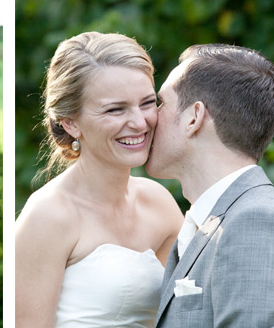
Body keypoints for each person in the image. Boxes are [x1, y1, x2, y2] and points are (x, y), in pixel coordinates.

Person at [145, 44, 274, 327]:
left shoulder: (256, 223)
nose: (147, 118)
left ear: (193, 118)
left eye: (160, 103)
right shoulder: (222, 219)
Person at [15, 32, 184, 328]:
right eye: (115, 109)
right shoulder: (49, 214)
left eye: (147, 103)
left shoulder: (158, 202)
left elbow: (186, 309)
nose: (139, 122)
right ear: (71, 122)